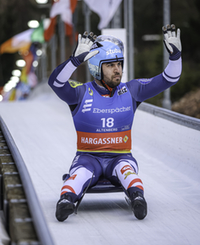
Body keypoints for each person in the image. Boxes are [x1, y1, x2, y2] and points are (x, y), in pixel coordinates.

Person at [48, 24, 182, 222]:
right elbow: (56, 83)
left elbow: (169, 78)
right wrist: (74, 61)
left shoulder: (132, 90)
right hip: (88, 157)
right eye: (110, 65)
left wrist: (175, 56)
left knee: (127, 170)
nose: (117, 69)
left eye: (119, 64)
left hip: (119, 157)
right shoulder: (80, 93)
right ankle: (65, 201)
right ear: (96, 67)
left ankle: (137, 198)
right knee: (79, 174)